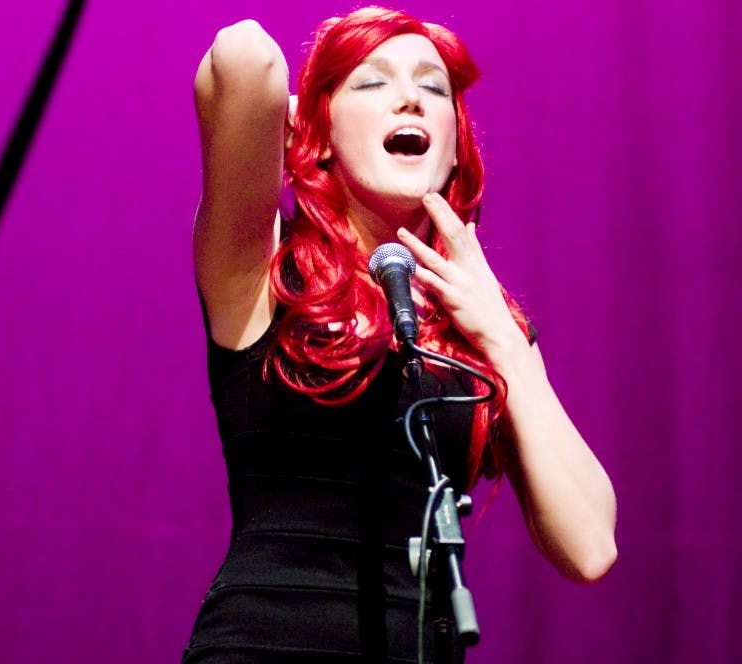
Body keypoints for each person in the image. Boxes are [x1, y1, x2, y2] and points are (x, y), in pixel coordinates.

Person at [185, 6, 617, 662]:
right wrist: (305, 128)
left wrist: (501, 336)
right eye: (372, 83)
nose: (410, 96)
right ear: (316, 125)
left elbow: (590, 547)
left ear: (455, 142)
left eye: (434, 88)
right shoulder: (261, 274)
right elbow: (243, 54)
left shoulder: (484, 329)